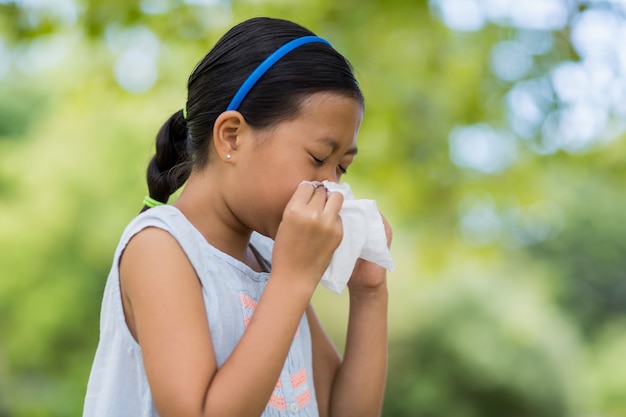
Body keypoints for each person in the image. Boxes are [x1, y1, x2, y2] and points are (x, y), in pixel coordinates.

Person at [83, 16, 392, 417]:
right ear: (232, 136)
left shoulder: (266, 259)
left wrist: (370, 292)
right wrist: (293, 280)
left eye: (341, 168)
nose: (331, 187)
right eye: (318, 158)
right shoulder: (161, 249)